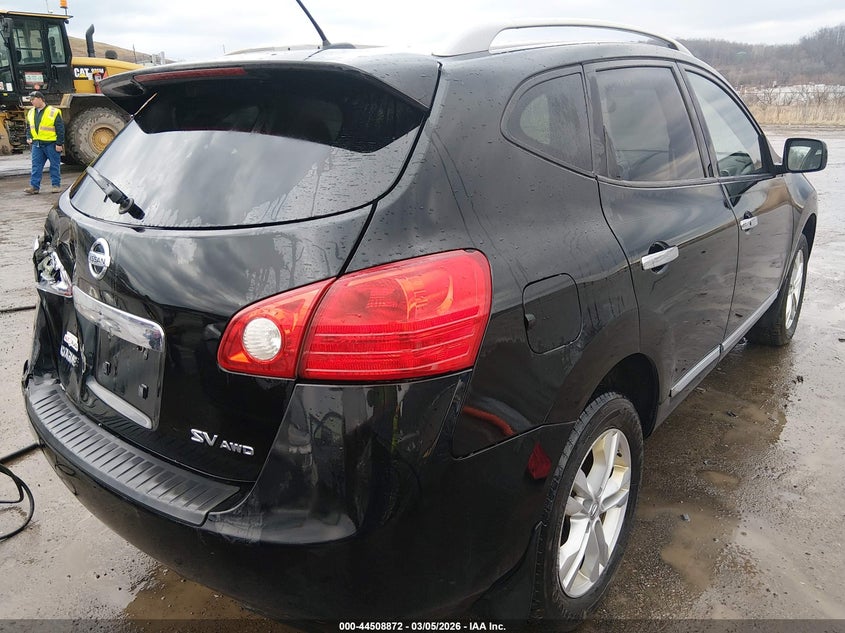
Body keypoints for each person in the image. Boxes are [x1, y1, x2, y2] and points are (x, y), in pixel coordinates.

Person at [24, 91, 64, 195]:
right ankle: (34, 187)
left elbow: (60, 129)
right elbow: (29, 127)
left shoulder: (53, 111)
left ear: (40, 99)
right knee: (36, 166)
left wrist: (59, 143)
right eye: (31, 100)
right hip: (37, 144)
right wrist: (29, 137)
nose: (32, 102)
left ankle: (56, 185)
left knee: (54, 165)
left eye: (33, 99)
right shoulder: (31, 112)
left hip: (51, 143)